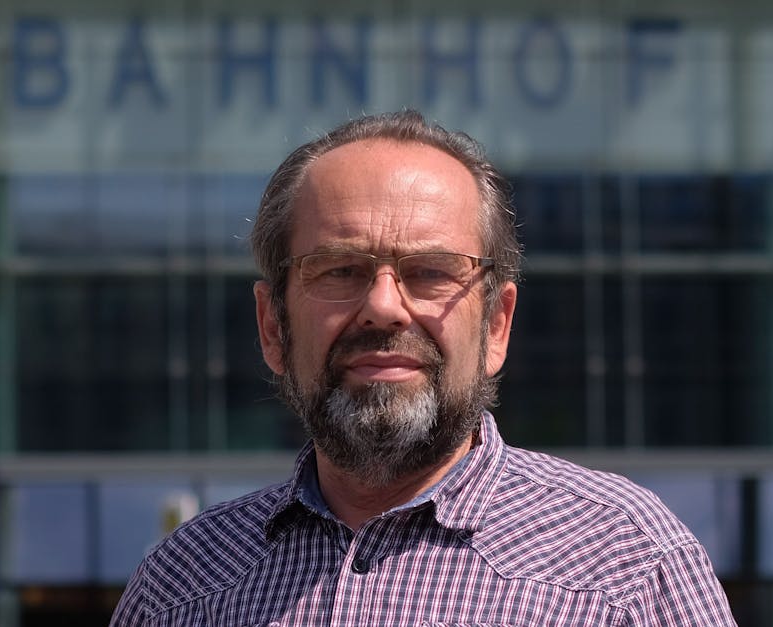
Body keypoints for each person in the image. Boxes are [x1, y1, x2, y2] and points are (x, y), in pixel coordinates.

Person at [111, 111, 737, 625]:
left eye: (431, 272)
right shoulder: (181, 589)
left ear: (496, 326)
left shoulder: (627, 568)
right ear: (273, 326)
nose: (384, 307)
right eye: (340, 270)